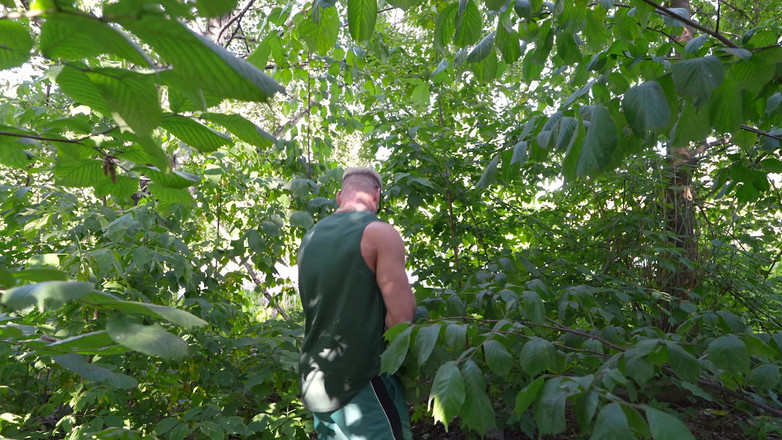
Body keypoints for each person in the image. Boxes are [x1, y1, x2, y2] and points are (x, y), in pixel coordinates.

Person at [297, 166, 417, 440]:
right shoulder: (379, 233)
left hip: (316, 379)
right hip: (363, 382)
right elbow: (401, 321)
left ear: (339, 196)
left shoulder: (309, 239)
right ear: (377, 194)